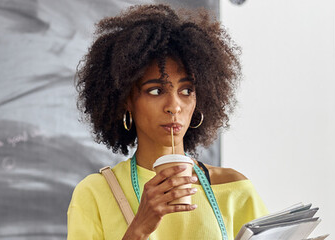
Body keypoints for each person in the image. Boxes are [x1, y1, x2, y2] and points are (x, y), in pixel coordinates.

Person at [68, 4, 268, 240]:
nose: (174, 106)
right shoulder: (95, 193)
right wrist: (139, 228)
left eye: (186, 90)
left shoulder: (234, 190)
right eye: (155, 91)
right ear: (125, 100)